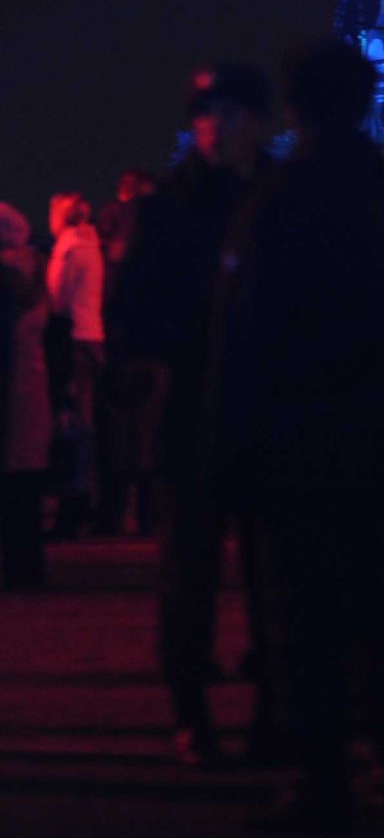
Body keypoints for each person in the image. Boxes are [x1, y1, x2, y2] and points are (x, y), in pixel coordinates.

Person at [212, 40, 384, 832]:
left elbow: (244, 332)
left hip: (297, 443)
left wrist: (234, 444)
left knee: (307, 619)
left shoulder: (277, 199)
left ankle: (326, 779)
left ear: (296, 106)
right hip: (380, 440)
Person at [110, 64, 275, 766]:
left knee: (275, 576)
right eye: (206, 114)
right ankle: (191, 709)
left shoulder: (278, 200)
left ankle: (275, 709)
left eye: (231, 113)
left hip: (268, 412)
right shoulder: (168, 209)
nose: (216, 127)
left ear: (255, 122)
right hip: (194, 410)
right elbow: (129, 314)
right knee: (188, 573)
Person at [96, 169, 160, 535]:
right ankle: (150, 513)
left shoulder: (117, 237)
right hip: (153, 343)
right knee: (148, 427)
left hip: (121, 340)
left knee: (119, 425)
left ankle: (115, 512)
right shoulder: (161, 231)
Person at [46, 192, 105, 539]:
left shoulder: (69, 250)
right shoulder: (89, 246)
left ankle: (75, 502)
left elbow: (59, 299)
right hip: (91, 335)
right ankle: (85, 497)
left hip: (73, 339)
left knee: (72, 424)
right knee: (84, 423)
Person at [0, 204, 51, 589]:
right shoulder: (35, 274)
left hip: (11, 391)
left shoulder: (6, 279)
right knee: (25, 491)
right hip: (31, 390)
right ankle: (27, 568)